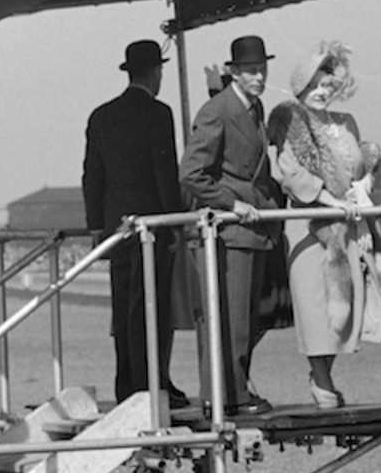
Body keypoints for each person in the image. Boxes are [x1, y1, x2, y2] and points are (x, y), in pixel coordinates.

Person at [266, 41, 381, 408]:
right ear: (301, 85)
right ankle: (321, 380)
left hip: (348, 222)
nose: (321, 92)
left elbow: (359, 167)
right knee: (315, 305)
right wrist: (327, 198)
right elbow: (287, 169)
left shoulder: (346, 122)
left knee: (346, 303)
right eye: (314, 85)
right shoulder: (289, 118)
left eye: (327, 86)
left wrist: (362, 188)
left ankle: (325, 374)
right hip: (307, 223)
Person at [179, 35, 282, 416]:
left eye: (263, 70)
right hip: (228, 232)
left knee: (242, 318)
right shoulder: (217, 111)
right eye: (251, 71)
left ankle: (230, 391)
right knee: (231, 319)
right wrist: (231, 204)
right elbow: (191, 174)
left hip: (251, 229)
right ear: (234, 73)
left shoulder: (254, 108)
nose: (259, 77)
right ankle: (230, 396)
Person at [82, 39, 188, 409]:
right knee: (152, 307)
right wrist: (176, 221)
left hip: (116, 228)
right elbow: (164, 173)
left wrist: (97, 225)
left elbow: (92, 176)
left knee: (124, 306)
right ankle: (151, 383)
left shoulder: (102, 115)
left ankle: (128, 382)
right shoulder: (159, 113)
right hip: (152, 226)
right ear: (156, 72)